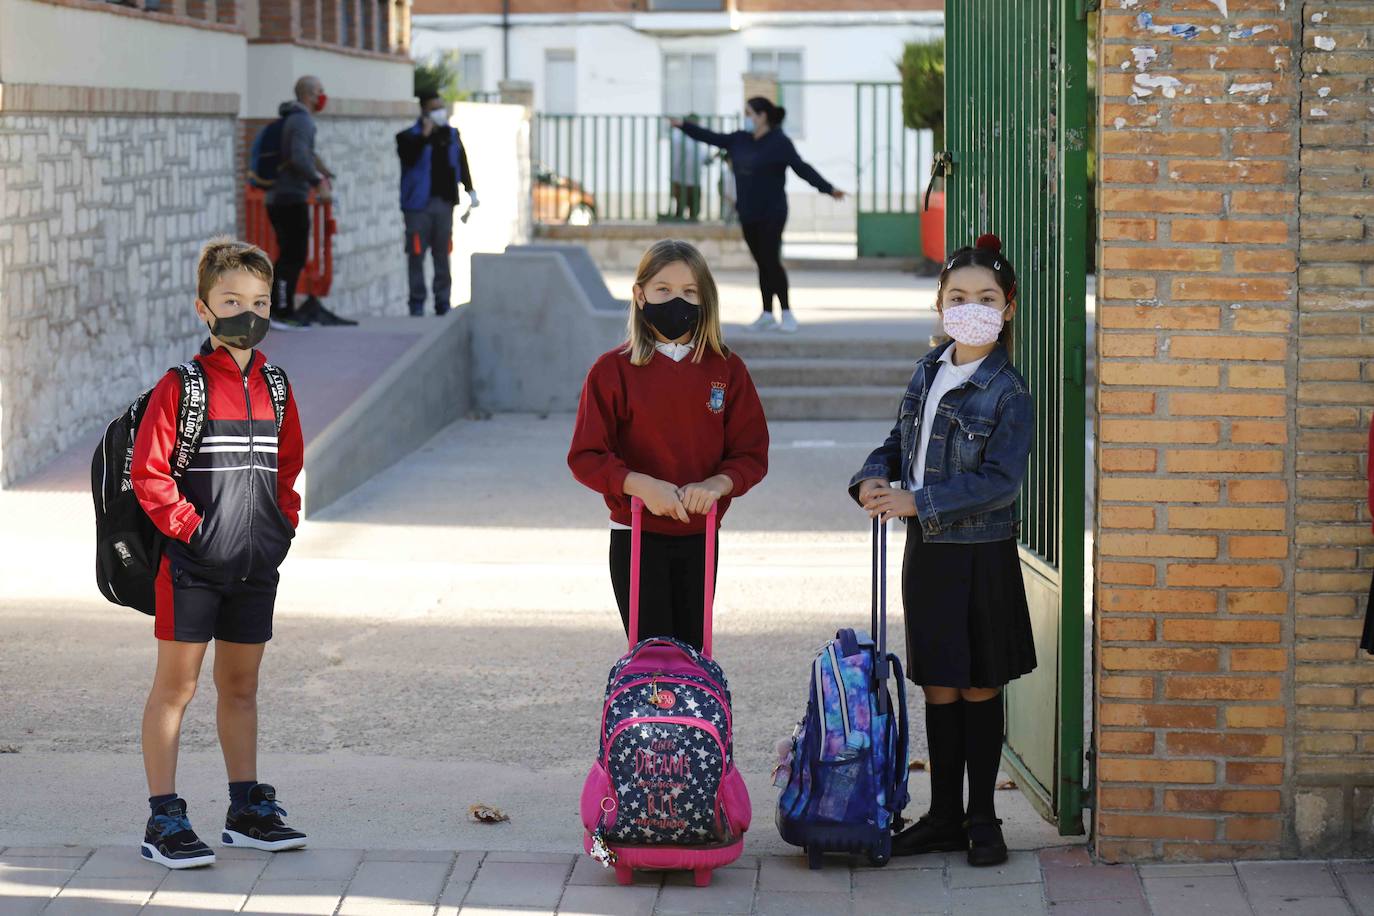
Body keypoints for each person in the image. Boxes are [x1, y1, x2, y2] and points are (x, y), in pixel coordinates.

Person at [847, 234, 1036, 868]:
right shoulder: (929, 369)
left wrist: (916, 502)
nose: (971, 307)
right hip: (928, 555)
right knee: (939, 687)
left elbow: (998, 482)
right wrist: (874, 477)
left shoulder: (1009, 393)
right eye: (958, 296)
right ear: (939, 303)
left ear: (1007, 306)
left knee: (979, 685)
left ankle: (984, 819)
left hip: (981, 555)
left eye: (985, 297)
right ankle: (944, 817)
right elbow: (901, 440)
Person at [131, 239, 308, 868]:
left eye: (259, 302)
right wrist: (194, 531)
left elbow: (288, 468)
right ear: (203, 309)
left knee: (241, 686)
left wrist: (283, 526)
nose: (248, 313)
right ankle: (164, 819)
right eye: (232, 300)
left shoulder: (278, 386)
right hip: (191, 567)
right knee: (174, 689)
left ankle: (246, 810)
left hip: (257, 566)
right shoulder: (182, 386)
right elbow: (148, 474)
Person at [568, 239, 769, 650]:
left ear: (704, 299)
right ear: (640, 296)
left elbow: (751, 452)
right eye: (664, 290)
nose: (677, 300)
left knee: (694, 653)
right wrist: (640, 485)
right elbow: (586, 455)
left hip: (701, 532)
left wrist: (717, 485)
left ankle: (692, 719)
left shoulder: (726, 369)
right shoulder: (612, 371)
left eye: (689, 292)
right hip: (636, 533)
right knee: (652, 657)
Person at [670, 98, 845, 333]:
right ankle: (766, 314)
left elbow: (802, 169)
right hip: (748, 212)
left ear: (762, 116)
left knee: (771, 260)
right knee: (762, 263)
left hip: (772, 211)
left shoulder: (780, 143)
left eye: (749, 113)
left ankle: (786, 312)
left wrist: (828, 189)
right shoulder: (739, 139)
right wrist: (683, 125)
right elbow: (711, 137)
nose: (747, 117)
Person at [266, 76, 352, 328]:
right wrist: (316, 181)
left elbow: (306, 155)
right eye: (319, 92)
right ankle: (281, 311)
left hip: (281, 197)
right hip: (289, 197)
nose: (322, 97)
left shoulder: (293, 119)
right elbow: (299, 157)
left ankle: (279, 308)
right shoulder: (302, 121)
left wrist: (324, 172)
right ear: (308, 95)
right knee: (294, 255)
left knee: (290, 253)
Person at [396, 90, 479, 317]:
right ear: (424, 110)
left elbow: (461, 163)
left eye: (441, 107)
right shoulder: (407, 138)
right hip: (417, 207)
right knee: (416, 254)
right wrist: (424, 135)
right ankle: (416, 304)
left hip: (444, 205)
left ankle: (443, 302)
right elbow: (408, 157)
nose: (439, 112)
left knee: (442, 254)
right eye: (434, 108)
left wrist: (470, 190)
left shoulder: (451, 135)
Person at [669, 114, 708, 222]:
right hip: (681, 180)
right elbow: (676, 159)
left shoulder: (699, 138)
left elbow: (703, 158)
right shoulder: (678, 137)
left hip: (695, 180)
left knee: (694, 212)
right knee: (680, 211)